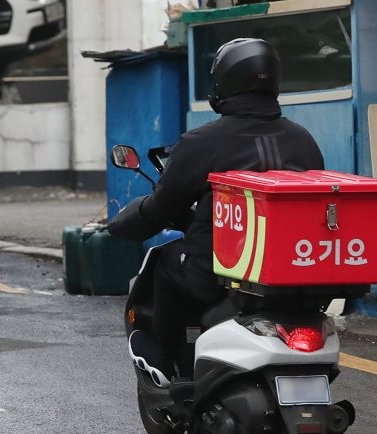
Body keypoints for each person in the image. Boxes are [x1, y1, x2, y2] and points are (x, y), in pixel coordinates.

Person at [109, 38, 324, 383]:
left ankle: (165, 365)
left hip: (219, 272)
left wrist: (121, 225)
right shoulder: (302, 140)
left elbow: (162, 206)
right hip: (293, 273)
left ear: (225, 82)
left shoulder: (202, 142)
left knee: (165, 262)